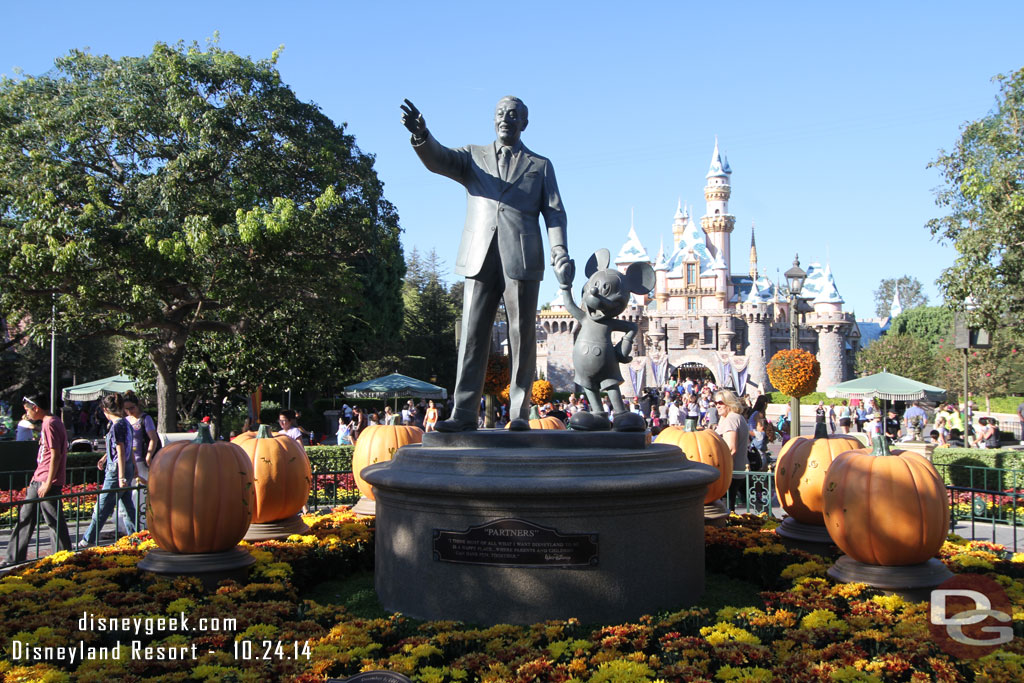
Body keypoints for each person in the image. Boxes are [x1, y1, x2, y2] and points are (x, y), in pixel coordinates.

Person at [401, 97, 568, 431]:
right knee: (473, 336)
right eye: (500, 114)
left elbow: (554, 211)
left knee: (522, 336)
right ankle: (463, 413)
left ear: (524, 122)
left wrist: (560, 250)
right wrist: (422, 136)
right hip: (479, 254)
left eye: (513, 115)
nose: (506, 119)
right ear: (494, 120)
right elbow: (439, 159)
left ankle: (520, 414)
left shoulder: (540, 165)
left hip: (522, 257)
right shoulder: (473, 156)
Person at [2, 396, 73, 568]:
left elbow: (56, 454)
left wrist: (48, 482)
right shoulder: (49, 422)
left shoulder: (50, 423)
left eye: (27, 409)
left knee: (53, 520)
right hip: (39, 479)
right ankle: (14, 557)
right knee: (26, 517)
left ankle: (64, 558)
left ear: (36, 408)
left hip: (46, 481)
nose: (26, 413)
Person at [79, 394, 137, 547]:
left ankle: (87, 539)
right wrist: (105, 457)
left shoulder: (116, 425)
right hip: (126, 467)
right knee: (127, 505)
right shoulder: (126, 423)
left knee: (103, 506)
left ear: (105, 410)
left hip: (117, 470)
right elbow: (127, 448)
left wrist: (121, 477)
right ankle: (136, 536)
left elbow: (121, 450)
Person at [122, 392, 159, 529]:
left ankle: (147, 520)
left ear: (137, 406)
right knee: (129, 493)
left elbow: (153, 438)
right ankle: (129, 524)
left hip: (141, 459)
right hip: (128, 460)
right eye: (126, 409)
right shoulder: (125, 420)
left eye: (132, 408)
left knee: (143, 491)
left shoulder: (145, 418)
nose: (130, 411)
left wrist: (149, 455)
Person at [714, 389, 749, 512]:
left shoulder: (732, 419)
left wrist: (717, 466)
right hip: (736, 471)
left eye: (720, 402)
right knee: (729, 506)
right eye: (715, 403)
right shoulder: (734, 417)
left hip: (729, 473)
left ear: (729, 403)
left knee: (725, 508)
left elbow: (731, 448)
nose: (717, 405)